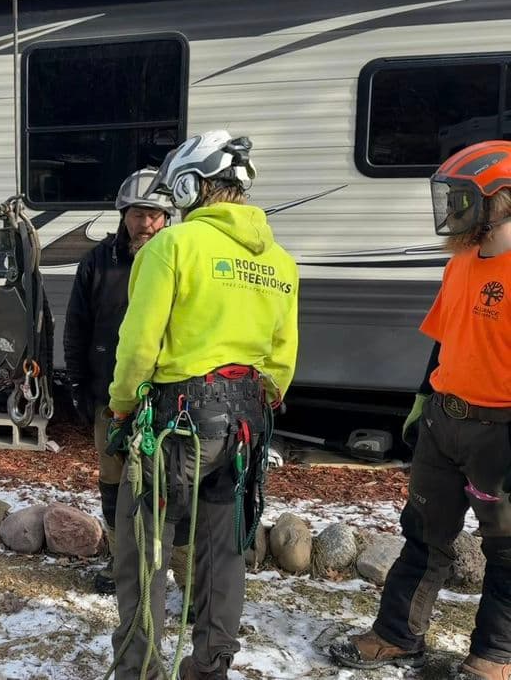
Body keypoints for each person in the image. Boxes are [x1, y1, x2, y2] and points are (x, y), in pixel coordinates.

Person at [107, 130, 299, 680]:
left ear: (192, 184)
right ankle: (210, 666)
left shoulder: (172, 247)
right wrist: (259, 405)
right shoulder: (281, 262)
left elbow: (140, 344)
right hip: (244, 428)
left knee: (144, 552)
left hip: (176, 427)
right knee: (224, 554)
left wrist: (123, 406)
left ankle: (139, 669)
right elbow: (281, 362)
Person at [330, 141, 511, 680]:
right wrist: (420, 400)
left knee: (505, 552)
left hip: (498, 434)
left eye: (463, 198)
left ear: (502, 198)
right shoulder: (461, 261)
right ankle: (396, 636)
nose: (453, 209)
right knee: (423, 535)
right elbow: (443, 340)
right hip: (444, 421)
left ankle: (494, 657)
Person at [64, 168, 177, 594]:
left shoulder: (178, 259)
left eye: (153, 214)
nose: (144, 223)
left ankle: (171, 567)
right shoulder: (97, 262)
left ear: (167, 217)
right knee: (113, 478)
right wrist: (77, 384)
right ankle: (120, 561)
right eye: (136, 214)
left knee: (167, 483)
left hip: (169, 398)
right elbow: (77, 326)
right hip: (109, 395)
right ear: (122, 215)